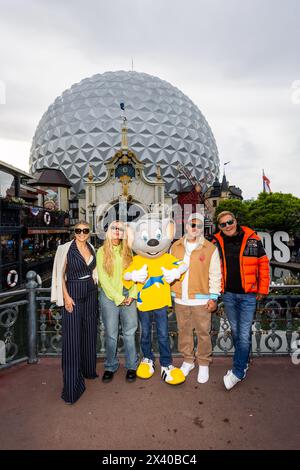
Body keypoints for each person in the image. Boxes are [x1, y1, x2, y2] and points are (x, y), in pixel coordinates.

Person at [212, 211, 270, 390]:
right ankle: (243, 362)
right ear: (219, 227)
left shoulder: (252, 238)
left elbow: (263, 263)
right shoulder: (215, 242)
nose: (227, 226)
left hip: (248, 295)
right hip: (228, 294)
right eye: (223, 224)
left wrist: (262, 288)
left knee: (243, 334)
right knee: (237, 332)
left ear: (236, 221)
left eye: (230, 222)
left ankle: (237, 372)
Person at [51, 221, 98, 404]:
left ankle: (88, 370)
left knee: (89, 334)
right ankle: (72, 387)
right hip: (73, 294)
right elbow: (60, 275)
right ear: (74, 232)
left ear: (89, 232)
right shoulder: (65, 249)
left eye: (85, 230)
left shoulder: (92, 247)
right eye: (78, 230)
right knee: (72, 340)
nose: (81, 233)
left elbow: (93, 269)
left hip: (91, 293)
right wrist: (66, 297)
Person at [171, 213, 221, 384]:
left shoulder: (210, 248)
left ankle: (204, 363)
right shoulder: (175, 247)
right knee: (183, 331)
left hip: (201, 299)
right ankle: (188, 361)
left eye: (199, 226)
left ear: (202, 229)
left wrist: (213, 297)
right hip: (180, 299)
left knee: (203, 333)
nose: (195, 228)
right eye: (192, 225)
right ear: (186, 226)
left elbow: (215, 275)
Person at [97, 220, 138, 383]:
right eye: (113, 228)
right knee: (111, 334)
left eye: (120, 229)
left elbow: (136, 274)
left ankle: (131, 366)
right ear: (108, 231)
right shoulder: (101, 251)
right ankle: (110, 366)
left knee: (129, 333)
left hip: (128, 295)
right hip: (109, 297)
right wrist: (119, 298)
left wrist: (132, 294)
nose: (117, 231)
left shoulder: (128, 251)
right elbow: (103, 279)